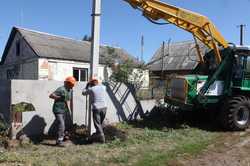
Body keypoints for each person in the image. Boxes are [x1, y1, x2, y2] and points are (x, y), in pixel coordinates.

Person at [49, 76, 76, 146]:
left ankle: (63, 136)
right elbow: (51, 95)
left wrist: (70, 111)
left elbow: (69, 101)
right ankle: (59, 141)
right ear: (67, 83)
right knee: (62, 124)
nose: (72, 86)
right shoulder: (61, 89)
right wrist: (59, 97)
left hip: (64, 109)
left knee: (66, 124)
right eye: (71, 84)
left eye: (73, 84)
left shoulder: (70, 90)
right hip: (57, 109)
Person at [82, 78, 107, 143]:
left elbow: (83, 93)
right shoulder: (103, 87)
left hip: (97, 108)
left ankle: (102, 138)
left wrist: (87, 86)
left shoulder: (91, 89)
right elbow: (100, 86)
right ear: (97, 82)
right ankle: (97, 137)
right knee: (100, 123)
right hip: (104, 107)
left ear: (91, 83)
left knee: (97, 124)